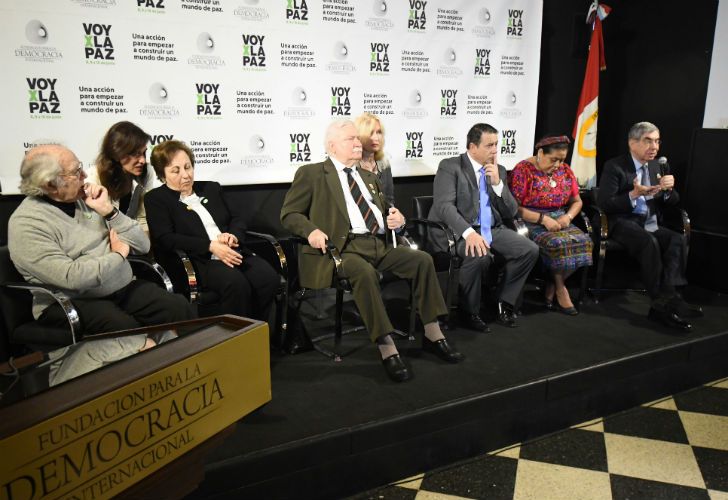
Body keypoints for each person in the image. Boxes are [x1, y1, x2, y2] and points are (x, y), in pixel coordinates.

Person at [280, 119, 463, 382]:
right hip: (341, 249)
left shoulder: (368, 177)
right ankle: (387, 347)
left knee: (421, 260)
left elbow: (385, 211)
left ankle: (433, 334)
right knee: (363, 272)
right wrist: (311, 231)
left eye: (357, 138)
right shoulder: (311, 173)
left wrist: (397, 220)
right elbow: (289, 214)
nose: (358, 143)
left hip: (378, 243)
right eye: (350, 139)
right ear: (332, 146)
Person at [8, 145, 194, 384]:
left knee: (178, 308)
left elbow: (142, 245)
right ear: (50, 184)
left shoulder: (88, 200)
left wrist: (109, 212)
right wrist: (117, 256)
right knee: (124, 328)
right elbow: (72, 277)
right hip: (72, 300)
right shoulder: (27, 224)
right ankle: (142, 385)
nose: (85, 176)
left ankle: (188, 378)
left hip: (120, 286)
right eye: (76, 173)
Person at [144, 140, 279, 322]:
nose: (185, 175)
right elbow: (165, 238)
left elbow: (237, 219)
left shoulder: (211, 188)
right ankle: (234, 342)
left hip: (232, 250)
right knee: (236, 283)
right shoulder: (156, 199)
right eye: (176, 171)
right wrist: (210, 246)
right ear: (162, 174)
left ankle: (256, 332)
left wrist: (232, 236)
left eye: (188, 167)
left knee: (267, 278)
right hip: (198, 260)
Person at [429, 123, 539, 330]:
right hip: (458, 232)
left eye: (497, 144)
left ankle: (502, 302)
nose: (495, 150)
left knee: (529, 250)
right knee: (479, 253)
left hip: (492, 229)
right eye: (489, 145)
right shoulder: (450, 166)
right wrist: (469, 233)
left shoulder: (499, 171)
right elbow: (443, 207)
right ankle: (469, 311)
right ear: (472, 147)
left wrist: (498, 185)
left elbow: (510, 211)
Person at [598, 121, 702, 331]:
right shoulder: (615, 166)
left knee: (676, 239)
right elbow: (605, 204)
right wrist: (633, 194)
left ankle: (671, 298)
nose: (654, 146)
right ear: (632, 143)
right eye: (648, 140)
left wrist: (668, 191)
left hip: (649, 222)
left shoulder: (658, 166)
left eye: (657, 141)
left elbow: (672, 201)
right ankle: (662, 305)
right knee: (649, 242)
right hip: (622, 222)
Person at [508, 135, 593, 315]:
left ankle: (552, 284)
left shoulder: (565, 171)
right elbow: (514, 207)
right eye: (554, 159)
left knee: (584, 242)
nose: (558, 165)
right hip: (532, 219)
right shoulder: (523, 171)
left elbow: (577, 201)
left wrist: (568, 217)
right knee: (558, 244)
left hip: (560, 218)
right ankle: (561, 289)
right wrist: (543, 219)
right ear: (540, 153)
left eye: (562, 160)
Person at [90, 121, 158, 232]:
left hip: (131, 236)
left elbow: (142, 218)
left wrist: (144, 245)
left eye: (144, 153)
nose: (142, 160)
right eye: (136, 154)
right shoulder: (93, 178)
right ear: (117, 153)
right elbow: (95, 227)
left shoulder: (146, 171)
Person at [354, 112, 395, 206]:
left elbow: (389, 201)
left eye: (379, 132)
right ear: (360, 136)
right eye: (371, 133)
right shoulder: (350, 166)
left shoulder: (384, 164)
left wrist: (394, 216)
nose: (376, 138)